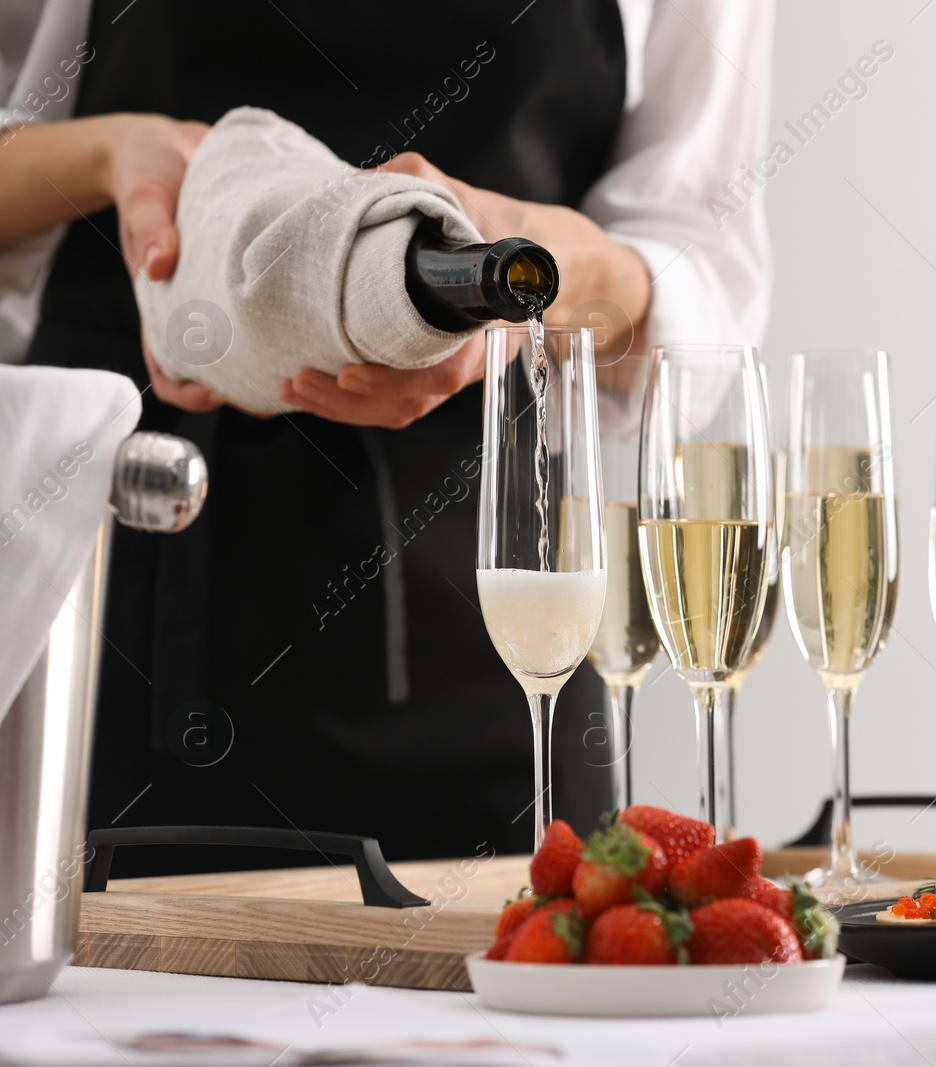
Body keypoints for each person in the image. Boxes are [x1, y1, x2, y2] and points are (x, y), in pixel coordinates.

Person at [0, 0, 773, 874]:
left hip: (499, 623)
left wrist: (530, 281)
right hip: (114, 605)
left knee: (533, 984)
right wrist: (111, 153)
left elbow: (700, 267)